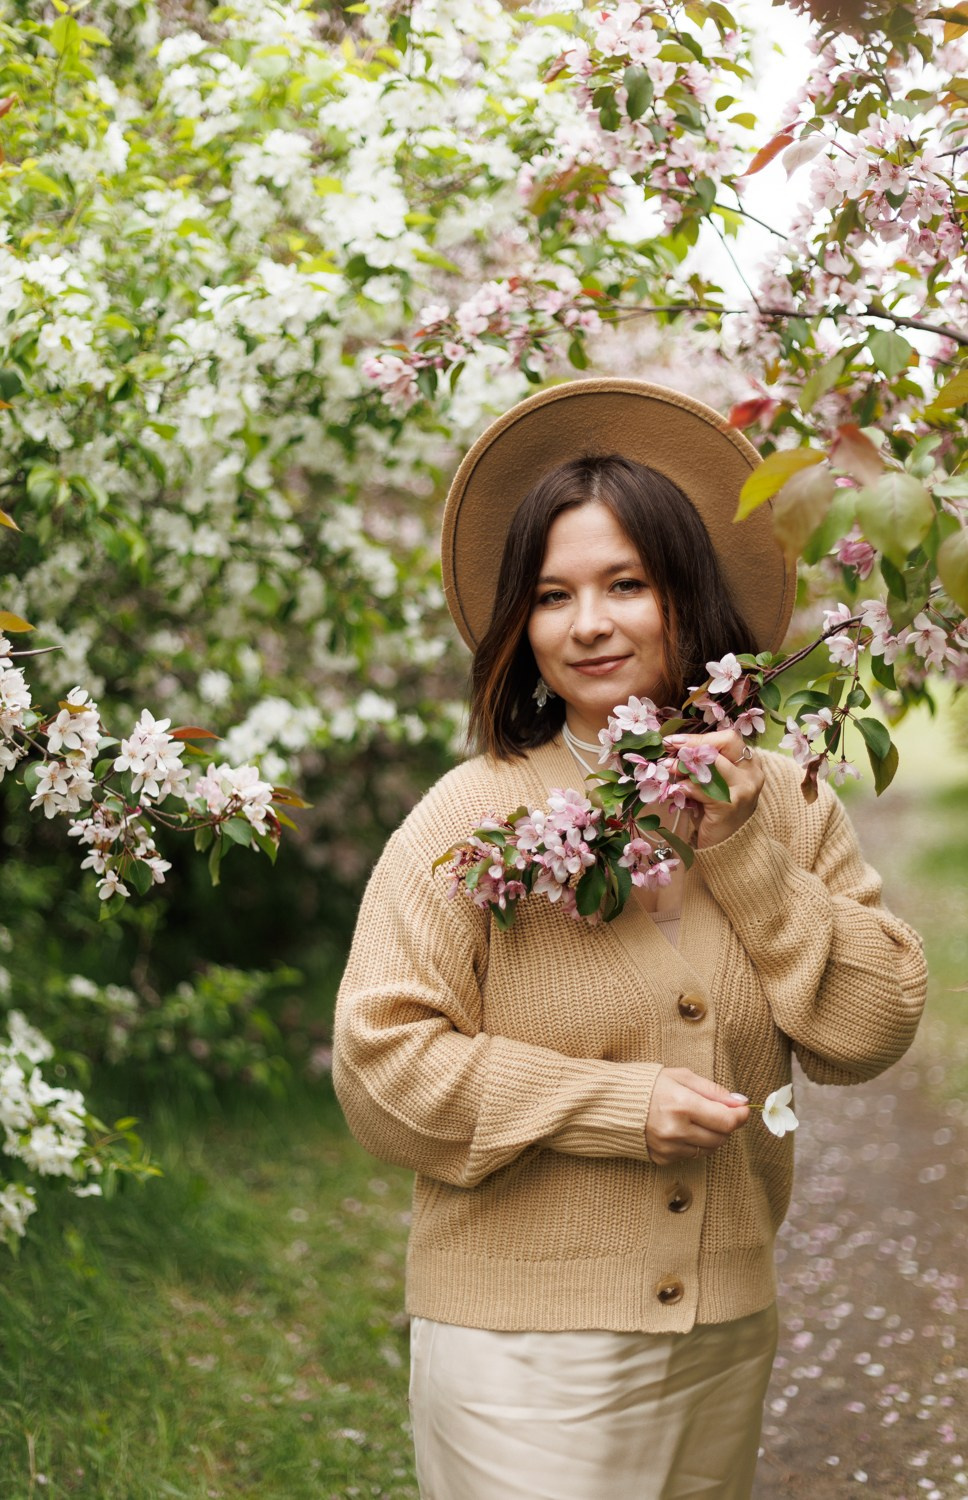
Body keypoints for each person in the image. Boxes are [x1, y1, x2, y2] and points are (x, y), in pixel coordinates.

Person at [333, 380, 927, 1500]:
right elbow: (382, 1071)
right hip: (521, 1357)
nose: (588, 623)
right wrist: (613, 1107)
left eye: (624, 585)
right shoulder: (471, 818)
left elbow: (868, 1029)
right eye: (552, 596)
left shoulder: (787, 801)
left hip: (721, 1334)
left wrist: (746, 854)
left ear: (684, 599)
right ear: (521, 624)